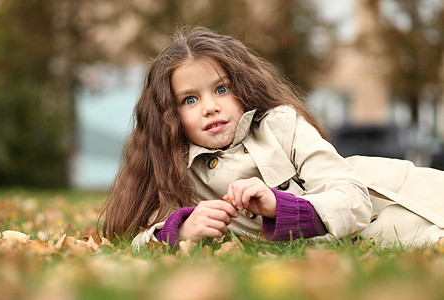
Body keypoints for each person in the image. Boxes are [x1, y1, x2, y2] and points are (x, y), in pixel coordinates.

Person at [98, 27, 444, 250]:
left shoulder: (281, 124)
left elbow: (352, 198)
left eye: (221, 89)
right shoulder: (173, 168)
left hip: (404, 198)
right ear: (168, 115)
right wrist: (181, 231)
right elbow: (133, 238)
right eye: (190, 100)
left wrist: (281, 207)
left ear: (243, 89)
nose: (210, 107)